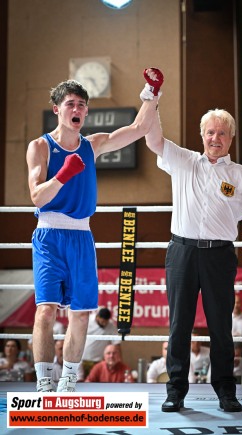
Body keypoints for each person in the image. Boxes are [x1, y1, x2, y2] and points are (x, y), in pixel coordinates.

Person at [140, 68, 242, 413]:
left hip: (220, 255)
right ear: (201, 134)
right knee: (179, 324)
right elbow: (152, 139)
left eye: (222, 133)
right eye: (210, 132)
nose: (215, 137)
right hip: (181, 251)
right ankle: (175, 390)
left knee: (221, 325)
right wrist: (152, 95)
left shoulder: (241, 176)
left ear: (231, 138)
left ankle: (226, 390)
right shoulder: (183, 160)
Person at [26, 72, 163, 393]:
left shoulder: (94, 144)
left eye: (82, 105)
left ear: (86, 112)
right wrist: (63, 174)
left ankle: (69, 379)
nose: (77, 108)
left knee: (82, 313)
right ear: (57, 109)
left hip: (82, 237)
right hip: (48, 235)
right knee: (45, 311)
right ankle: (45, 379)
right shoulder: (39, 147)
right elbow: (36, 196)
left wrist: (152, 92)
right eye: (70, 103)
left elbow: (140, 128)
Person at [82, 307, 120, 376]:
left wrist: (119, 361)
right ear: (97, 317)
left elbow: (116, 343)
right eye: (102, 322)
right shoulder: (87, 321)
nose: (105, 324)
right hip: (83, 359)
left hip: (99, 361)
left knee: (98, 384)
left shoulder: (110, 325)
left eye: (106, 322)